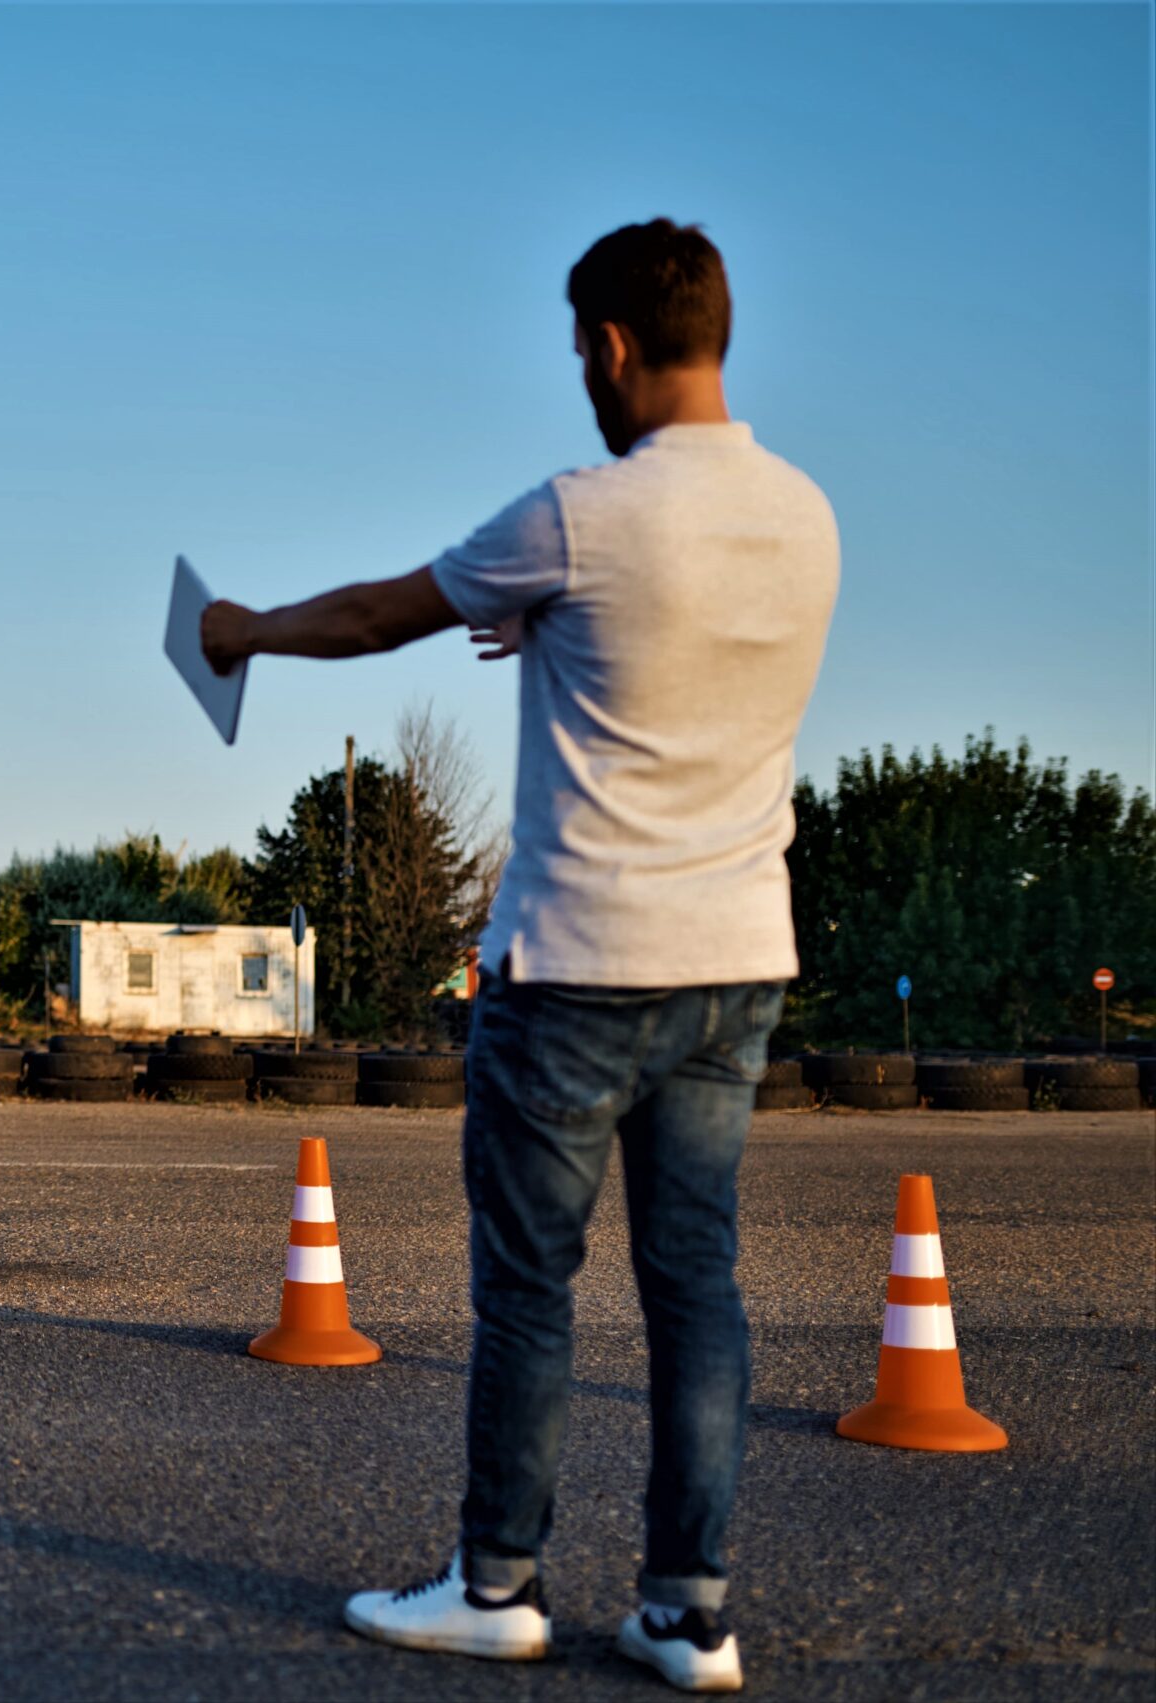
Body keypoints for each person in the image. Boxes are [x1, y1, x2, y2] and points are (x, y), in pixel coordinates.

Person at [201, 219, 837, 1694]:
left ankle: (497, 1582)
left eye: (578, 354)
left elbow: (380, 614)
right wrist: (551, 630)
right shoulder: (805, 515)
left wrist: (242, 629)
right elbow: (671, 652)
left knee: (532, 1287)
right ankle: (688, 1612)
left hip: (578, 965)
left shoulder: (583, 513)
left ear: (610, 345)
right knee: (696, 1285)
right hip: (737, 961)